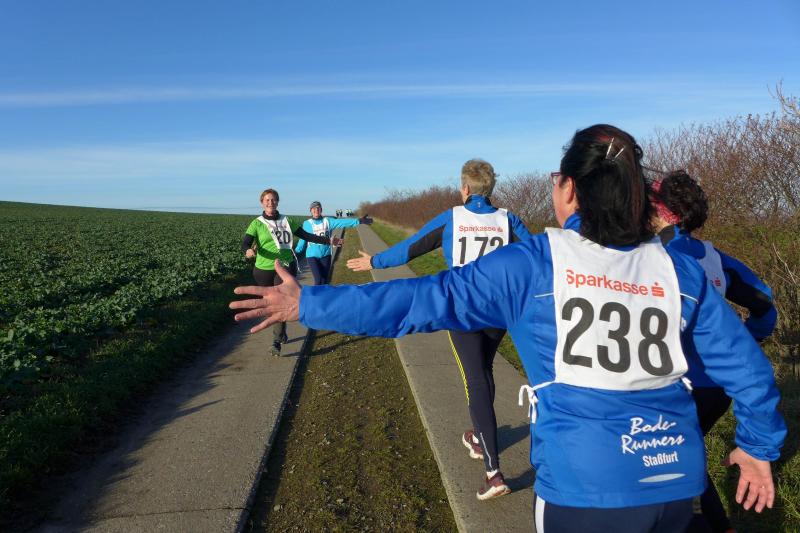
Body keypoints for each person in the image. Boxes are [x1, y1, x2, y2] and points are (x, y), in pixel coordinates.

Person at [231, 125, 786, 532]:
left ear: (569, 189)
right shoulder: (679, 271)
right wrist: (758, 448)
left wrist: (310, 304)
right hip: (674, 483)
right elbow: (750, 372)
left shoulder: (536, 264)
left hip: (584, 491)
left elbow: (417, 301)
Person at [347, 158, 533, 500]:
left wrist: (374, 261)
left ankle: (493, 473)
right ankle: (477, 437)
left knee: (475, 379)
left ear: (464, 188)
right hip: (498, 313)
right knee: (484, 371)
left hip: (462, 311)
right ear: (491, 188)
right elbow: (534, 257)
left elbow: (411, 248)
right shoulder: (508, 219)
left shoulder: (453, 217)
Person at [651, 171, 778, 533]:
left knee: (674, 462)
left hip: (677, 386)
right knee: (682, 455)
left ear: (659, 210)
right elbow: (765, 306)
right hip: (719, 386)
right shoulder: (714, 256)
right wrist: (742, 344)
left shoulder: (653, 257)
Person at [241, 188, 342, 356]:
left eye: (273, 199)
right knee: (271, 305)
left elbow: (307, 236)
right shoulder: (257, 223)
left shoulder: (287, 221)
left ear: (277, 202)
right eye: (267, 200)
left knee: (279, 302)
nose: (270, 202)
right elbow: (245, 243)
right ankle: (281, 332)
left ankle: (276, 341)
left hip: (285, 267)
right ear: (262, 202)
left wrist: (329, 240)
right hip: (262, 269)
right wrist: (248, 250)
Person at [295, 201, 372, 286]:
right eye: (313, 208)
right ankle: (316, 294)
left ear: (321, 210)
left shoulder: (327, 221)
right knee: (318, 279)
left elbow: (342, 222)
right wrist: (296, 251)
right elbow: (303, 238)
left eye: (318, 208)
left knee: (325, 280)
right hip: (312, 256)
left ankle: (325, 294)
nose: (316, 210)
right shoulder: (307, 224)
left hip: (326, 255)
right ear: (310, 210)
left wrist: (358, 221)